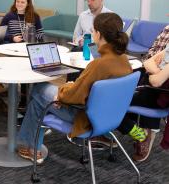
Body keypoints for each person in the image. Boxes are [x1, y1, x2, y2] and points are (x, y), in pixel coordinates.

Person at [17, 12, 132, 163]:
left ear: (98, 34)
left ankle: (32, 148)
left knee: (39, 91)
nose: (91, 33)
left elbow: (73, 96)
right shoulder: (124, 60)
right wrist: (68, 89)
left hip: (84, 117)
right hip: (109, 117)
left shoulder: (99, 64)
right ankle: (32, 144)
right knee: (41, 100)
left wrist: (62, 92)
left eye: (93, 30)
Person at [117, 45, 169, 162]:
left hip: (157, 95)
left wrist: (152, 72)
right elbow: (147, 62)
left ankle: (139, 133)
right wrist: (158, 71)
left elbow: (156, 82)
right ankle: (140, 132)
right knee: (112, 100)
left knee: (111, 104)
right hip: (147, 89)